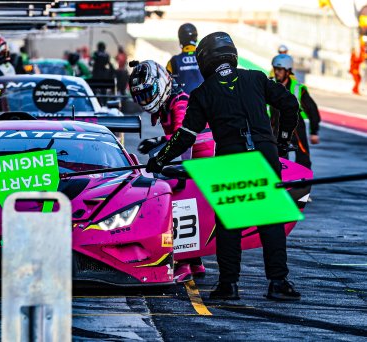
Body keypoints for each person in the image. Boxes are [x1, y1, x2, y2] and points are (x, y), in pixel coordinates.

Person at [146, 32, 302, 301]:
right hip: (265, 156)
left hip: (231, 159)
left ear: (205, 60)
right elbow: (291, 104)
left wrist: (158, 160)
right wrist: (283, 139)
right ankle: (278, 283)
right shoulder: (256, 78)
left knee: (229, 225)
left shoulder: (203, 92)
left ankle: (229, 285)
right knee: (271, 222)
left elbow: (185, 137)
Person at [128, 59, 206, 281]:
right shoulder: (168, 103)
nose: (145, 100)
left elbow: (184, 137)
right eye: (140, 96)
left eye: (147, 93)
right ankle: (195, 261)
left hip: (198, 157)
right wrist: (158, 144)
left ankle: (184, 263)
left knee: (180, 204)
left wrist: (174, 164)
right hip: (192, 157)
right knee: (193, 207)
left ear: (160, 83)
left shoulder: (179, 102)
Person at [272, 54, 321, 169]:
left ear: (288, 71)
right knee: (278, 158)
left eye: (280, 70)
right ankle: (280, 179)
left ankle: (303, 181)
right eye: (275, 69)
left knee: (303, 157)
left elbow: (312, 109)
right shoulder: (269, 86)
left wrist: (314, 131)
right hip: (276, 127)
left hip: (296, 127)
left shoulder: (298, 88)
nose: (276, 72)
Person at [166, 23, 204, 94]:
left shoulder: (173, 61)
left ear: (181, 39)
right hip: (204, 101)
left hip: (183, 103)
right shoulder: (204, 56)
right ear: (195, 37)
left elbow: (167, 83)